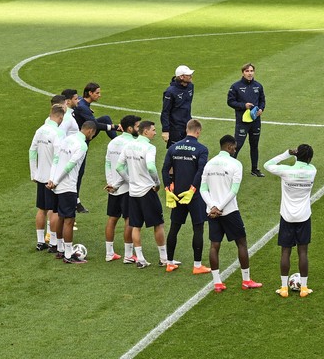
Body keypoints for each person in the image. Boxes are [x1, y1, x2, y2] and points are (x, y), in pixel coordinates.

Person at [201, 135, 263, 293]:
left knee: (214, 245)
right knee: (241, 243)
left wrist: (212, 206)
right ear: (229, 147)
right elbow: (233, 191)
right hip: (229, 211)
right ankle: (246, 280)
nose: (235, 150)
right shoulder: (235, 164)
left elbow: (203, 189)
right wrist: (220, 207)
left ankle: (217, 283)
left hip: (212, 212)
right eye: (234, 147)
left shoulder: (209, 164)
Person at [110, 120, 167, 269]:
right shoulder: (149, 147)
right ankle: (163, 258)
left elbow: (119, 167)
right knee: (158, 224)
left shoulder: (128, 146)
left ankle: (140, 259)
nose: (155, 132)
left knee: (135, 225)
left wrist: (131, 181)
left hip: (133, 192)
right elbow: (151, 167)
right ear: (146, 131)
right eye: (153, 130)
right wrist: (157, 183)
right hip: (147, 191)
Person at [264, 144, 317, 298]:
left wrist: (287, 153)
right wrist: (299, 156)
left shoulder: (286, 171)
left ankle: (283, 288)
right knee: (303, 252)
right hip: (304, 216)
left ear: (296, 155)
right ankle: (304, 288)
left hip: (287, 216)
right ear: (309, 158)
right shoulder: (312, 171)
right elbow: (307, 162)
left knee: (285, 251)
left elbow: (267, 165)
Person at [161, 119, 210, 274]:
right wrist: (193, 189)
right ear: (198, 131)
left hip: (177, 194)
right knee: (198, 228)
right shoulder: (201, 149)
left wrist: (168, 188)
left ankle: (169, 262)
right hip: (193, 195)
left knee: (174, 227)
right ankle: (197, 266)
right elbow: (200, 170)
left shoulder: (174, 147)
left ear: (186, 129)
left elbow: (164, 169)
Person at [48, 121, 97, 264]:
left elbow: (56, 159)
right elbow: (70, 166)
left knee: (60, 217)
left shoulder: (67, 140)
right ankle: (68, 256)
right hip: (67, 186)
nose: (92, 136)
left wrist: (52, 179)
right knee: (69, 220)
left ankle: (60, 249)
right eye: (93, 134)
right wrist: (56, 180)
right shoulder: (82, 145)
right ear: (89, 131)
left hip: (56, 186)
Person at [74, 83, 121, 213]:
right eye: (97, 93)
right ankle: (75, 201)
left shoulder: (81, 103)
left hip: (84, 135)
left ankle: (118, 143)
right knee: (79, 172)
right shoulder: (83, 107)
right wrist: (115, 127)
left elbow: (76, 97)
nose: (100, 95)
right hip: (82, 140)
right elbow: (94, 125)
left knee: (105, 118)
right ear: (90, 93)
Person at [104, 115, 140, 263]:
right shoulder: (132, 144)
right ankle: (128, 255)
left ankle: (109, 253)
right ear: (130, 128)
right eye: (138, 126)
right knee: (129, 219)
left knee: (112, 218)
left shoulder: (113, 142)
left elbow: (107, 163)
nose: (140, 129)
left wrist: (111, 182)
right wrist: (119, 183)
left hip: (113, 186)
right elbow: (125, 168)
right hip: (126, 186)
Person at [30, 104, 65, 251]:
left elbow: (32, 150)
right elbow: (58, 157)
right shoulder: (58, 133)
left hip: (40, 176)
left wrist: (34, 172)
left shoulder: (40, 130)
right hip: (52, 179)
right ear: (60, 117)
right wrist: (54, 178)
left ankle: (40, 241)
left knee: (42, 209)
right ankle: (53, 242)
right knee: (55, 210)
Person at [227, 63, 266, 177]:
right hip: (242, 122)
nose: (250, 73)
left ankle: (255, 169)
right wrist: (244, 105)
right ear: (243, 73)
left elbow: (262, 100)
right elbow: (230, 102)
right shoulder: (235, 86)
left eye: (251, 71)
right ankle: (229, 169)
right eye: (247, 71)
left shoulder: (258, 86)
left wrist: (261, 109)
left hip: (255, 121)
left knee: (254, 145)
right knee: (237, 145)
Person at [161, 65, 194, 148]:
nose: (191, 76)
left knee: (189, 149)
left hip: (187, 126)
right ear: (182, 77)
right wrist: (165, 130)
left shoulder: (190, 86)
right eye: (188, 75)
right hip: (175, 128)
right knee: (175, 152)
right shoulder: (170, 92)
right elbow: (165, 112)